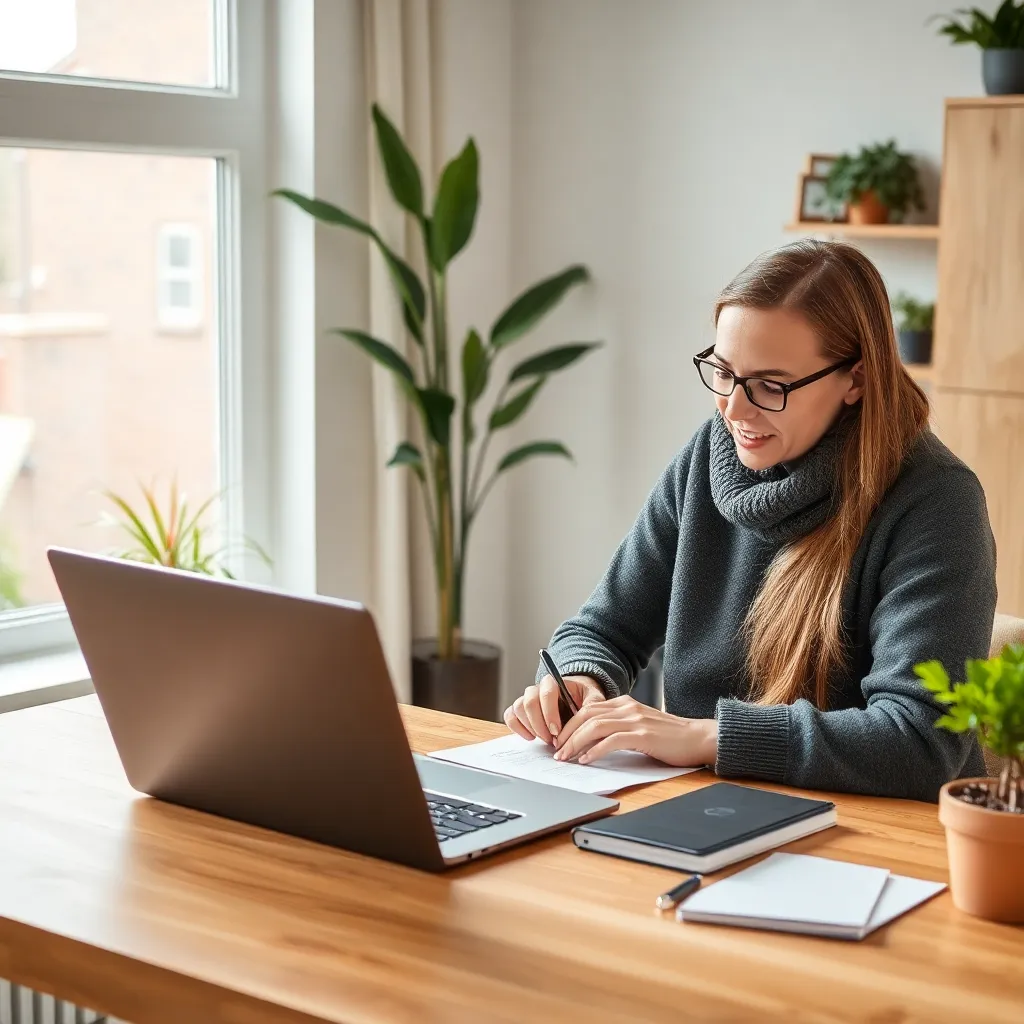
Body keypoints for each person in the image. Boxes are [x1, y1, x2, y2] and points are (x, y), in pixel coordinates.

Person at [503, 239, 996, 802]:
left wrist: (709, 738)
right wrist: (578, 680)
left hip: (861, 829)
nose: (734, 409)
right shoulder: (712, 454)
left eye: (771, 385)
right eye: (724, 372)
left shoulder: (936, 499)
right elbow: (602, 628)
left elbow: (919, 742)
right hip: (706, 804)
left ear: (856, 379)